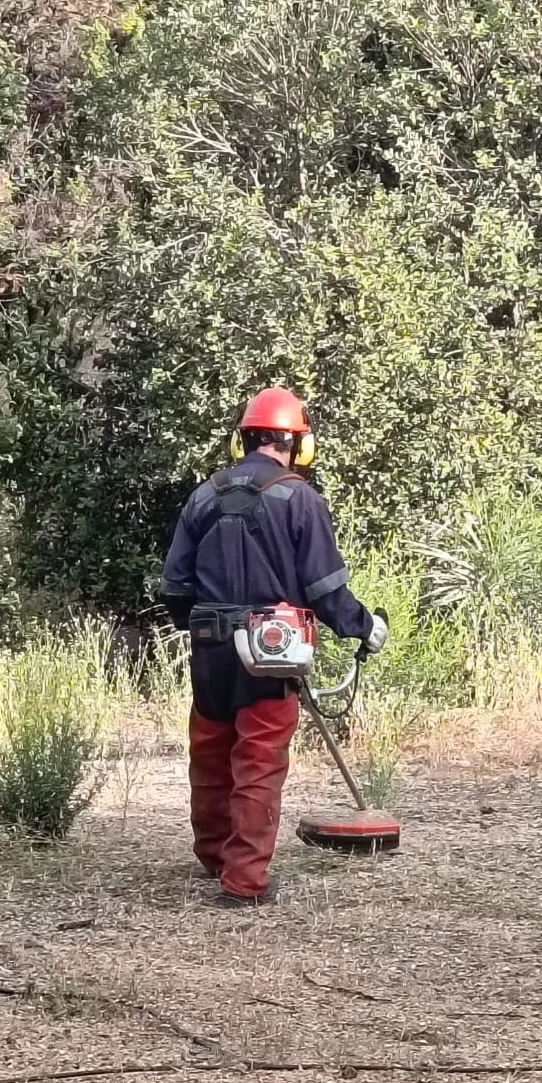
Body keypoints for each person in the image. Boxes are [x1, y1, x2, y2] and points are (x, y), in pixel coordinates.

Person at [160, 388, 388, 905]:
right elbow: (326, 590)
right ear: (296, 443)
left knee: (211, 752)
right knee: (258, 758)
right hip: (271, 648)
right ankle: (244, 882)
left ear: (244, 439)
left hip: (210, 648)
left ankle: (214, 856)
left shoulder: (203, 496)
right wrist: (363, 627)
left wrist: (194, 624)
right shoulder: (299, 498)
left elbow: (174, 588)